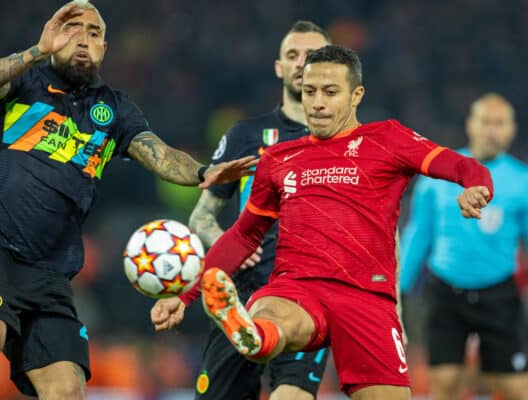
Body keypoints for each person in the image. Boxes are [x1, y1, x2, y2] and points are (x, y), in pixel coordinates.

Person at [0, 2, 256, 399]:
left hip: (50, 275)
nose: (83, 39)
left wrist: (205, 172)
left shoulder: (114, 110)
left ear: (105, 47)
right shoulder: (26, 82)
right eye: (72, 29)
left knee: (67, 388)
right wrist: (35, 50)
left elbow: (160, 153)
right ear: (54, 35)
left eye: (94, 33)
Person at [151, 45, 494, 400]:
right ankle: (254, 334)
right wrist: (188, 294)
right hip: (298, 288)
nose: (317, 102)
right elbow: (243, 235)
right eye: (310, 91)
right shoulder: (279, 158)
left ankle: (257, 334)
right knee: (272, 315)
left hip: (366, 297)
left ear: (356, 94)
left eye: (330, 92)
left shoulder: (388, 139)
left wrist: (477, 188)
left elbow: (464, 166)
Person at [187, 21, 330, 400]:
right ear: (278, 68)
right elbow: (201, 217)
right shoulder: (245, 135)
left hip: (309, 298)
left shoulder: (346, 143)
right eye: (292, 56)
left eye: (312, 56)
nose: (302, 63)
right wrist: (228, 242)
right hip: (240, 299)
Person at [400, 93, 528, 400]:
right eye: (485, 121)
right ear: (471, 125)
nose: (491, 130)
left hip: (499, 294)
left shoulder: (522, 181)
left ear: (512, 129)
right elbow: (418, 236)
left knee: (514, 387)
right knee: (443, 385)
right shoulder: (438, 176)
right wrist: (398, 289)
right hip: (446, 292)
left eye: (499, 123)